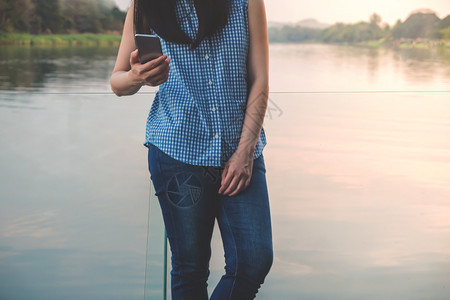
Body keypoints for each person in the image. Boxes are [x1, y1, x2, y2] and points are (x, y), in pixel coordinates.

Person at [110, 0, 273, 298]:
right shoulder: (145, 5)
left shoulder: (246, 2)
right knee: (190, 269)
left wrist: (245, 151)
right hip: (176, 153)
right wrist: (137, 77)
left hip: (242, 151)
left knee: (254, 261)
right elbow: (117, 81)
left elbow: (259, 78)